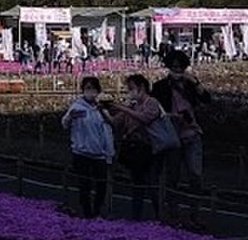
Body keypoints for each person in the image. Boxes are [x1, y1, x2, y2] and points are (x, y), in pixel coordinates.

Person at [151, 51, 210, 226]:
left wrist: (195, 82)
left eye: (180, 67)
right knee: (172, 176)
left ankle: (194, 213)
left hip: (191, 134)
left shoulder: (190, 85)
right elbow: (155, 110)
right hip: (172, 136)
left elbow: (207, 99)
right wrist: (170, 116)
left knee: (195, 174)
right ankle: (173, 213)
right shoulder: (161, 87)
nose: (177, 70)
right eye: (174, 66)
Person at [105, 74, 170, 222]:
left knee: (152, 181)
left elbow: (145, 118)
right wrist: (105, 111)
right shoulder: (131, 105)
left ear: (141, 88)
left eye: (131, 88)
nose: (129, 92)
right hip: (135, 149)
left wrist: (124, 108)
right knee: (137, 182)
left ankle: (160, 215)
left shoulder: (152, 102)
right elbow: (115, 122)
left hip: (151, 148)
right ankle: (136, 217)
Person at [61, 75, 115, 218]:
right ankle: (87, 212)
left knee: (101, 185)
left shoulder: (100, 109)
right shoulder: (77, 107)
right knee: (85, 185)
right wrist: (70, 117)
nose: (90, 91)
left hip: (99, 153)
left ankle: (97, 210)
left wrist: (103, 110)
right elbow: (65, 123)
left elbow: (111, 123)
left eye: (93, 88)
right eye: (87, 88)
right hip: (82, 152)